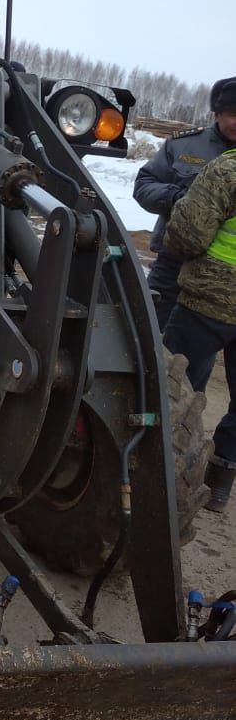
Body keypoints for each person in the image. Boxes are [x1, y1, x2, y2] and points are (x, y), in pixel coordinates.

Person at [163, 143, 236, 513]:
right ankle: (220, 483)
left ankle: (162, 472)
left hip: (209, 301)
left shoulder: (227, 169)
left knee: (172, 386)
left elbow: (189, 234)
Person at [133, 78, 236, 328]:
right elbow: (144, 185)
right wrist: (178, 198)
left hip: (222, 280)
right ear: (217, 113)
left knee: (194, 359)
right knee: (144, 335)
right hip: (172, 266)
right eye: (233, 114)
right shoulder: (184, 145)